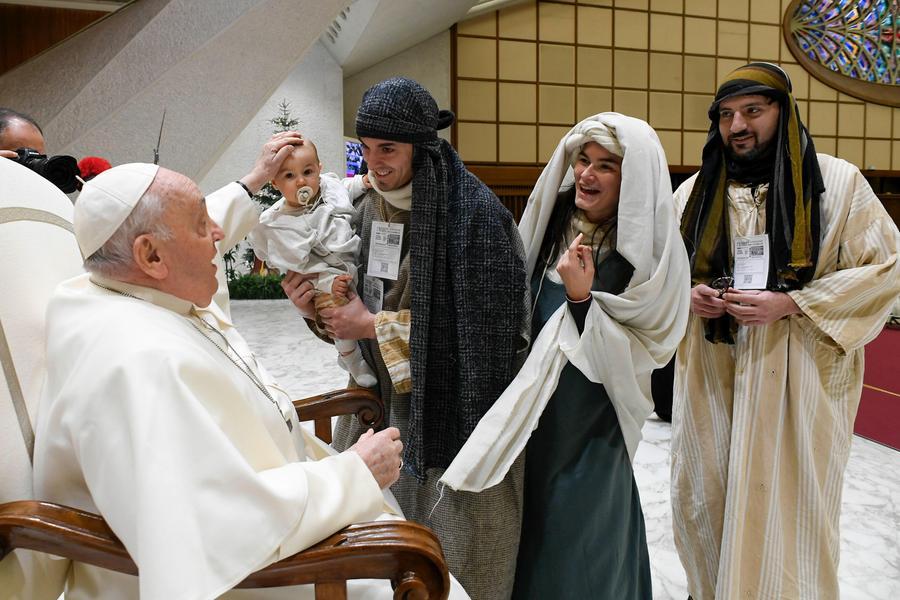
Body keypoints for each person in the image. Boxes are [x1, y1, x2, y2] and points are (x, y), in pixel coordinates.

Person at [31, 131, 471, 599]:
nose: (218, 238)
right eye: (201, 227)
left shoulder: (117, 287)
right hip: (259, 571)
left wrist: (255, 177)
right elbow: (210, 526)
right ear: (151, 255)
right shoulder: (136, 364)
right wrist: (354, 472)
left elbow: (207, 222)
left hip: (283, 502)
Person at [283, 77, 529, 599]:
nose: (375, 162)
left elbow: (490, 342)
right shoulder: (370, 209)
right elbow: (356, 308)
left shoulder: (477, 217)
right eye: (366, 148)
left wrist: (372, 325)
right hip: (380, 411)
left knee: (456, 567)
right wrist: (319, 308)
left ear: (422, 145)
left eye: (388, 148)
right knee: (377, 563)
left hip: (457, 426)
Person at [671, 62, 900, 599]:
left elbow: (886, 268)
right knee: (706, 503)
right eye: (726, 115)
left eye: (754, 110)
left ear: (785, 111)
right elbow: (658, 279)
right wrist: (688, 295)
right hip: (712, 382)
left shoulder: (838, 185)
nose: (737, 126)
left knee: (794, 516)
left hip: (803, 384)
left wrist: (793, 302)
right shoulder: (694, 195)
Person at [440, 113, 691, 599]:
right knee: (528, 535)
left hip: (593, 423)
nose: (587, 174)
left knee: (581, 535)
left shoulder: (653, 258)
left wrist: (582, 301)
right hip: (534, 417)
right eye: (583, 159)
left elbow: (650, 346)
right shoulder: (547, 227)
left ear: (633, 178)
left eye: (606, 166)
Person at [247, 140, 377, 387]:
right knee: (334, 311)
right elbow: (264, 250)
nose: (301, 181)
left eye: (308, 172)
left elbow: (346, 186)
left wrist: (363, 182)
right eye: (289, 175)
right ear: (275, 183)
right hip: (320, 277)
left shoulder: (329, 191)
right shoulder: (275, 221)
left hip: (351, 259)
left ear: (319, 169)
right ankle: (351, 358)